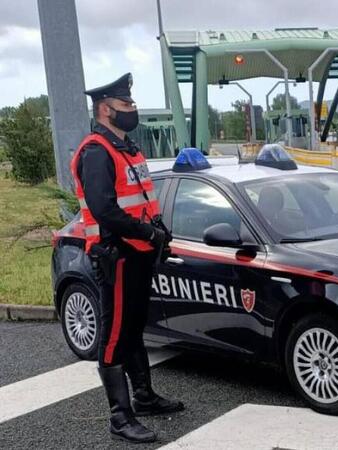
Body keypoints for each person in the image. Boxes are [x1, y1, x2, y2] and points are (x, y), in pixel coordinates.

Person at [70, 73, 183, 443]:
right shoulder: (95, 151)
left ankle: (144, 398)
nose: (132, 110)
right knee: (115, 334)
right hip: (114, 254)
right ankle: (120, 417)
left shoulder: (126, 148)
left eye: (132, 104)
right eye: (125, 105)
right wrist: (148, 234)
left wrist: (158, 231)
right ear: (105, 109)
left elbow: (141, 202)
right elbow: (104, 209)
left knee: (134, 327)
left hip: (136, 253)